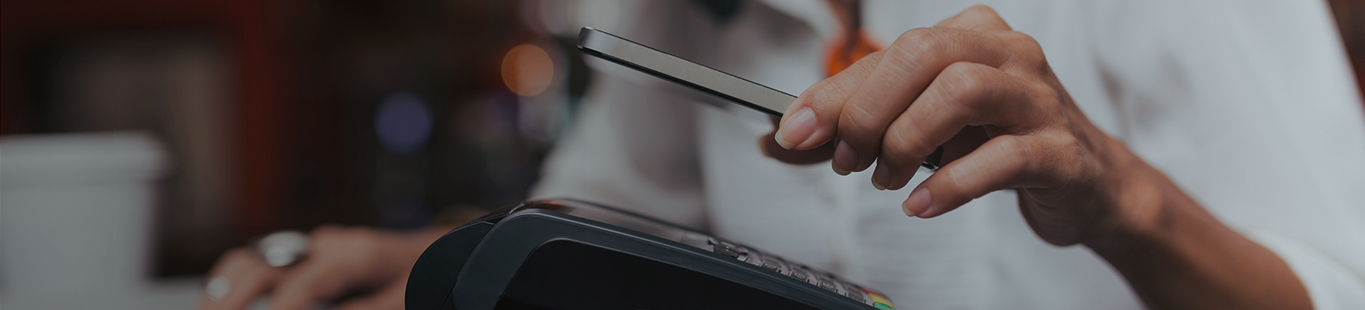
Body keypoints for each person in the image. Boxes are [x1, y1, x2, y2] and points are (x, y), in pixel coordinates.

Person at [199, 1, 1365, 309]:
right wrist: (410, 260)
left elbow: (1335, 287)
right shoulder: (688, 13)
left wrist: (1117, 196)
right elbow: (599, 223)